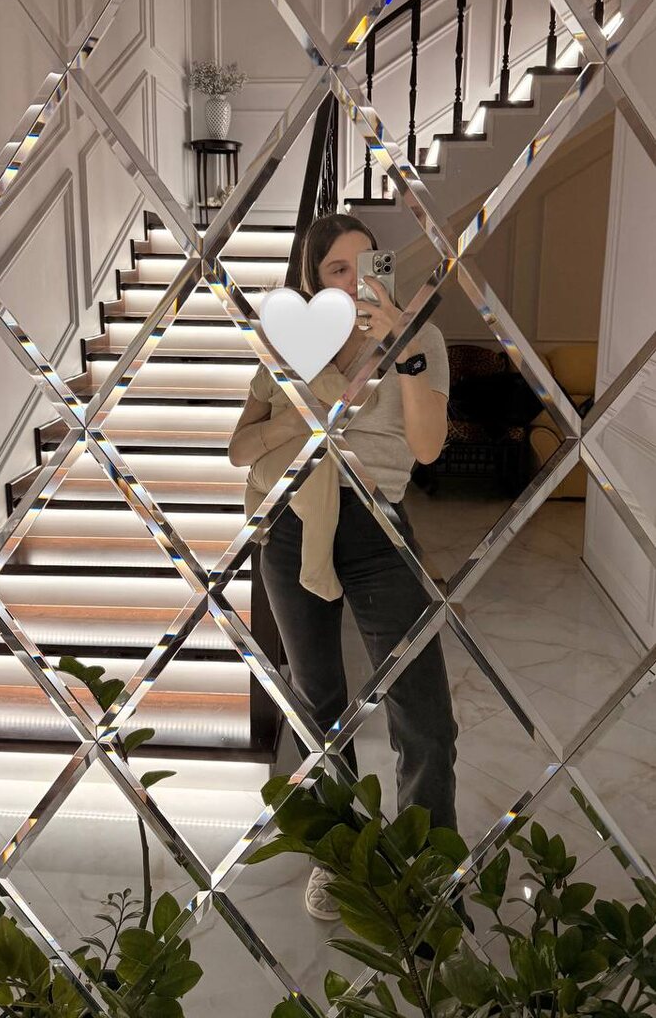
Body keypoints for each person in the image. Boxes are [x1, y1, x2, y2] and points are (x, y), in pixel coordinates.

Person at [228, 213, 459, 920]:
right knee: (316, 702)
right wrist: (315, 405)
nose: (356, 282)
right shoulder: (290, 343)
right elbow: (241, 445)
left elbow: (426, 448)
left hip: (377, 528)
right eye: (337, 269)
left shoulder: (420, 339)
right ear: (314, 280)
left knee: (421, 707)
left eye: (368, 266)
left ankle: (428, 862)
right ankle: (339, 854)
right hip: (291, 524)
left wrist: (404, 351)